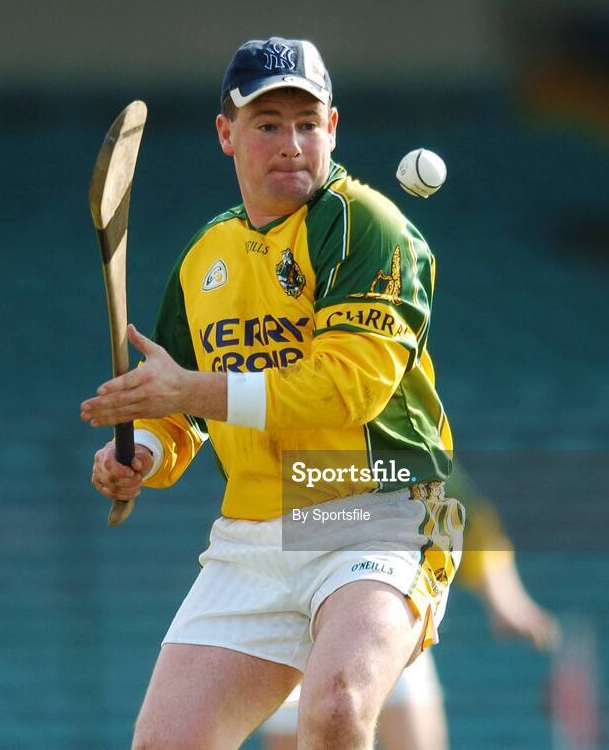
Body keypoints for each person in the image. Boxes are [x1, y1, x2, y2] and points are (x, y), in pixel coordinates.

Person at [81, 37, 463, 749]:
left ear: (333, 129)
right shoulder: (205, 258)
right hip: (256, 530)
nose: (291, 143)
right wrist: (141, 454)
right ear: (226, 134)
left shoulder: (366, 227)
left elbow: (342, 391)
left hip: (385, 511)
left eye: (307, 123)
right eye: (267, 124)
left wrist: (187, 388)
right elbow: (186, 417)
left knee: (338, 707)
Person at [259, 468, 561, 750]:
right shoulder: (281, 442)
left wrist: (505, 598)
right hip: (300, 626)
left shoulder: (398, 427)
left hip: (384, 605)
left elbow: (463, 509)